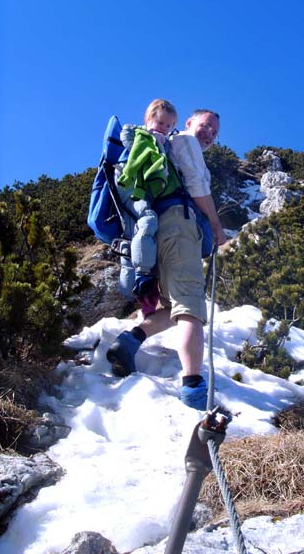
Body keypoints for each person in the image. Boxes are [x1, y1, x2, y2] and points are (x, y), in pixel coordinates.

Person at [107, 109, 228, 410]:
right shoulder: (185, 142)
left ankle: (131, 339)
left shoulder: (166, 149)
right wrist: (215, 226)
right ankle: (194, 388)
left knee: (173, 305)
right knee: (190, 307)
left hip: (155, 228)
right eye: (205, 126)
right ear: (188, 124)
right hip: (178, 224)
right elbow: (198, 188)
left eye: (215, 131)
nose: (209, 133)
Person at [115, 99, 178, 316]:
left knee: (137, 233)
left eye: (169, 126)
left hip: (145, 191)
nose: (164, 129)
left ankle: (143, 302)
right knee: (148, 219)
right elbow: (128, 138)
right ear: (148, 119)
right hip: (132, 186)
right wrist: (152, 138)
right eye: (160, 123)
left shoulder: (163, 144)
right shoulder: (139, 135)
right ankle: (142, 274)